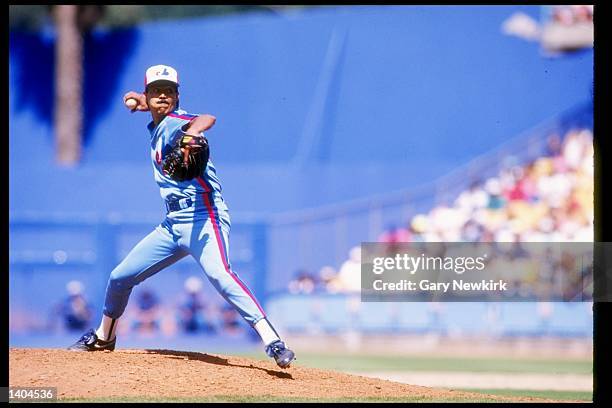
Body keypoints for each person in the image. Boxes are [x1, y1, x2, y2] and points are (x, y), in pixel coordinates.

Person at [68, 64, 295, 368]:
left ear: (177, 96)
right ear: (149, 95)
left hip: (204, 215)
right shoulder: (156, 118)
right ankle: (104, 336)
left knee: (220, 274)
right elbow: (141, 101)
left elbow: (207, 118)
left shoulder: (179, 122)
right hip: (172, 225)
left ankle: (273, 341)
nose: (163, 96)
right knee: (119, 276)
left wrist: (192, 132)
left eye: (169, 91)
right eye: (156, 91)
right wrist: (134, 99)